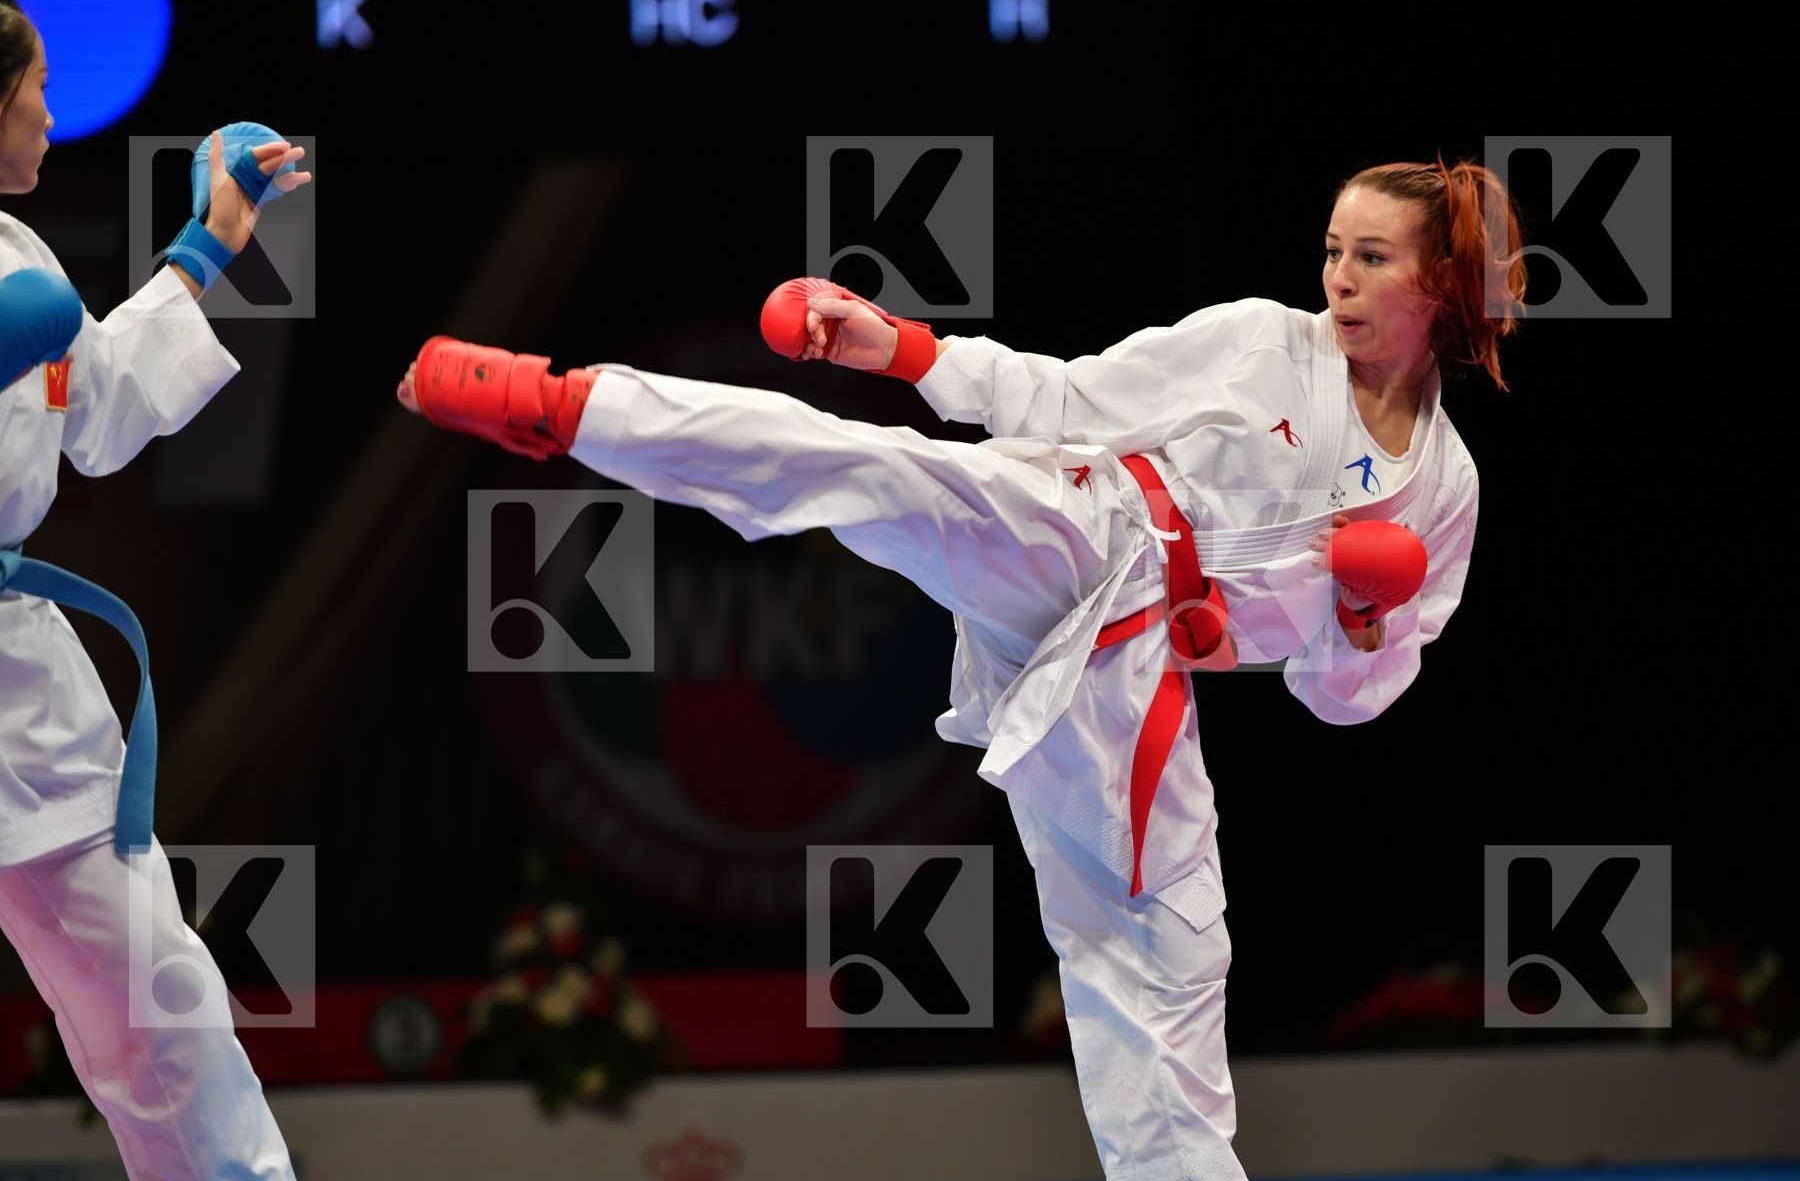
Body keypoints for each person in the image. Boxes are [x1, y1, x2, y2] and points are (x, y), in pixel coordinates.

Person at [396, 156, 1525, 1179]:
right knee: (878, 473)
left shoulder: (1444, 492)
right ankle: (566, 406)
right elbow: (1070, 398)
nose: (1337, 277)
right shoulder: (1264, 343)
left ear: (1440, 283)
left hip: (1127, 678)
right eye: (1332, 249)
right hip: (1088, 525)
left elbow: (1343, 701)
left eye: (1371, 258)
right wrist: (901, 346)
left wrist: (1364, 627)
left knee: (1166, 966)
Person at [0, 0, 310, 1177]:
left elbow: (103, 412)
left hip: (21, 699)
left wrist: (212, 238)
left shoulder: (19, 256)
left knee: (158, 1011)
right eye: (33, 87)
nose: (50, 110)